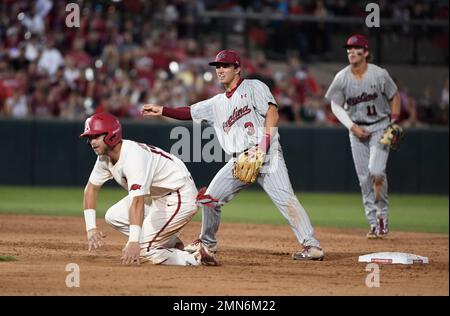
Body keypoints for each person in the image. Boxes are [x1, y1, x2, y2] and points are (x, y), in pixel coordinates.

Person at [142, 50, 324, 261]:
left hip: (267, 153)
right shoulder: (216, 103)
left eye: (226, 66)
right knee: (209, 198)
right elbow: (189, 112)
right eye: (218, 66)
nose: (220, 70)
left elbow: (272, 113)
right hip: (239, 160)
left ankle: (311, 246)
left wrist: (263, 147)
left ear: (237, 68)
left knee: (286, 199)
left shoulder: (254, 86)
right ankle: (207, 243)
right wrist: (162, 110)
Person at [79, 111, 218, 266]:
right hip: (158, 195)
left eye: (96, 136)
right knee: (113, 216)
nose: (92, 141)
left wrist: (133, 242)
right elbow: (90, 190)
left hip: (179, 195)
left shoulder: (132, 157)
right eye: (90, 137)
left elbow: (137, 202)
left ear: (111, 134)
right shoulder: (104, 158)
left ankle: (197, 257)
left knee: (144, 250)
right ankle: (169, 242)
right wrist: (91, 228)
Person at [325, 34, 401, 239]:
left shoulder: (379, 74)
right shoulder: (342, 77)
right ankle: (374, 223)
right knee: (364, 179)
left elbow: (394, 96)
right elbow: (335, 104)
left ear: (366, 52)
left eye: (356, 48)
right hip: (357, 130)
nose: (351, 51)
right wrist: (351, 126)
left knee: (376, 171)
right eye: (349, 49)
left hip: (380, 126)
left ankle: (382, 216)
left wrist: (393, 121)